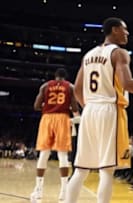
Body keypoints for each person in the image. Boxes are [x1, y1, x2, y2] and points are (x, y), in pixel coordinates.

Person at [65, 17, 133, 203]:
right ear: (115, 29)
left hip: (90, 111)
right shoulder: (119, 53)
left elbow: (76, 89)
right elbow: (128, 84)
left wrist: (90, 106)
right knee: (107, 171)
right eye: (125, 29)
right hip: (109, 110)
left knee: (81, 170)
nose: (127, 33)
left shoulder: (89, 55)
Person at [30, 68, 79, 202]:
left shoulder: (45, 86)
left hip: (47, 118)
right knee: (62, 155)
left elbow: (36, 106)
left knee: (44, 154)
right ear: (65, 77)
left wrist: (47, 106)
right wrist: (70, 109)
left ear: (55, 76)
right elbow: (75, 108)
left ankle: (38, 190)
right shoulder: (70, 87)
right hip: (62, 118)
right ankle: (64, 192)